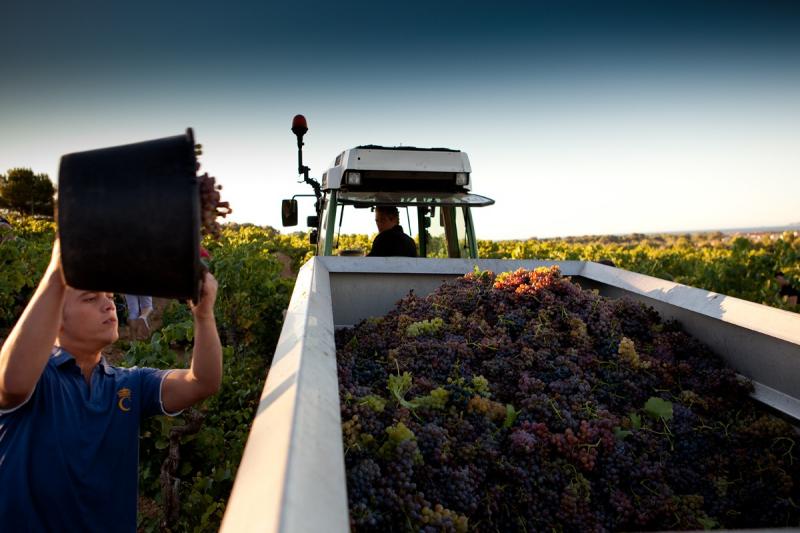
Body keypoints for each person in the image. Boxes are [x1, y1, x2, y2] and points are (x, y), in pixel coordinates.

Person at [0, 239, 223, 532]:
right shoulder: (36, 378)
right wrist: (57, 272)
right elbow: (11, 382)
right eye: (91, 298)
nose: (109, 304)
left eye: (109, 296)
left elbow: (202, 381)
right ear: (55, 318)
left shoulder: (130, 382)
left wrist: (204, 315)